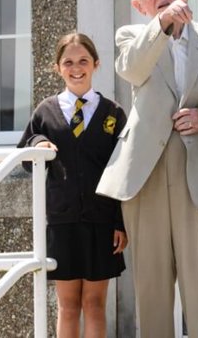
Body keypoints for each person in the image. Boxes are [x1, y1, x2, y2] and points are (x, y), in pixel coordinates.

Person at [96, 0, 198, 338]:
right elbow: (130, 69)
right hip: (147, 173)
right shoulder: (131, 36)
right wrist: (160, 25)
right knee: (153, 287)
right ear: (139, 5)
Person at [18, 32, 127, 338]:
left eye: (83, 61)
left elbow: (123, 169)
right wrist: (38, 143)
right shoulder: (45, 111)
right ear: (57, 68)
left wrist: (121, 221)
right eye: (68, 62)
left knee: (94, 304)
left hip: (102, 221)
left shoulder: (114, 113)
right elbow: (24, 155)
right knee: (67, 306)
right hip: (62, 220)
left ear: (96, 64)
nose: (76, 68)